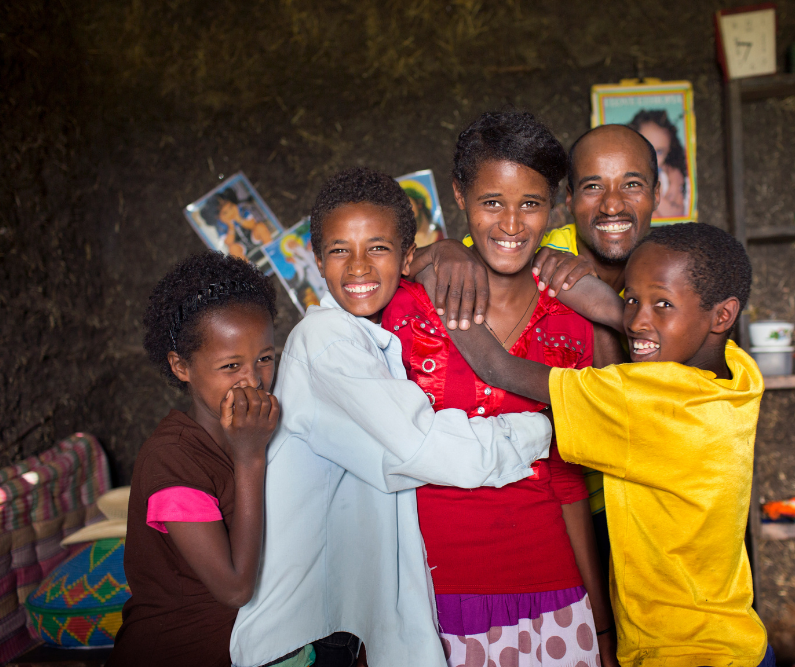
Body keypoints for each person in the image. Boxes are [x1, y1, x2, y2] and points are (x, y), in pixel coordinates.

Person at [229, 167, 555, 667]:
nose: (358, 266)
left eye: (377, 248)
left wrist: (439, 255)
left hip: (334, 628)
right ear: (317, 261)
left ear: (406, 257)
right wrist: (547, 425)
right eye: (340, 250)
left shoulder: (377, 339)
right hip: (300, 639)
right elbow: (428, 448)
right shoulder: (326, 343)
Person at [420, 222, 775, 667]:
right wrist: (559, 274)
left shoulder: (644, 404)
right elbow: (637, 324)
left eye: (662, 304)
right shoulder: (739, 376)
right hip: (737, 636)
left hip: (679, 651)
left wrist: (441, 281)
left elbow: (497, 368)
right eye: (630, 298)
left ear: (721, 315)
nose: (636, 319)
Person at [383, 111, 616, 667]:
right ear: (460, 194)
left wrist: (602, 626)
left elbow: (566, 478)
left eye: (530, 204)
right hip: (427, 594)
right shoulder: (404, 310)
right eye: (492, 202)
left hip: (552, 595)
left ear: (553, 206)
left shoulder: (571, 321)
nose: (511, 223)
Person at [409, 122, 662, 573]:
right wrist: (444, 250)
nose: (612, 204)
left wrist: (615, 314)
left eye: (633, 185)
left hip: (652, 493)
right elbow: (453, 256)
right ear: (567, 201)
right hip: (566, 503)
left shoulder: (678, 263)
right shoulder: (538, 248)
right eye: (591, 186)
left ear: (657, 194)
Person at [111, 252, 310, 667]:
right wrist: (250, 457)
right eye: (231, 365)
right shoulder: (172, 463)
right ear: (181, 366)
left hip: (252, 643)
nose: (253, 380)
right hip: (182, 651)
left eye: (265, 358)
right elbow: (235, 588)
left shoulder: (270, 424)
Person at [628, 109, 688, 219]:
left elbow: (678, 212)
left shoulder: (669, 177)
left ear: (668, 151)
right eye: (645, 148)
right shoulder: (625, 176)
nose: (652, 157)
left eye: (659, 152)